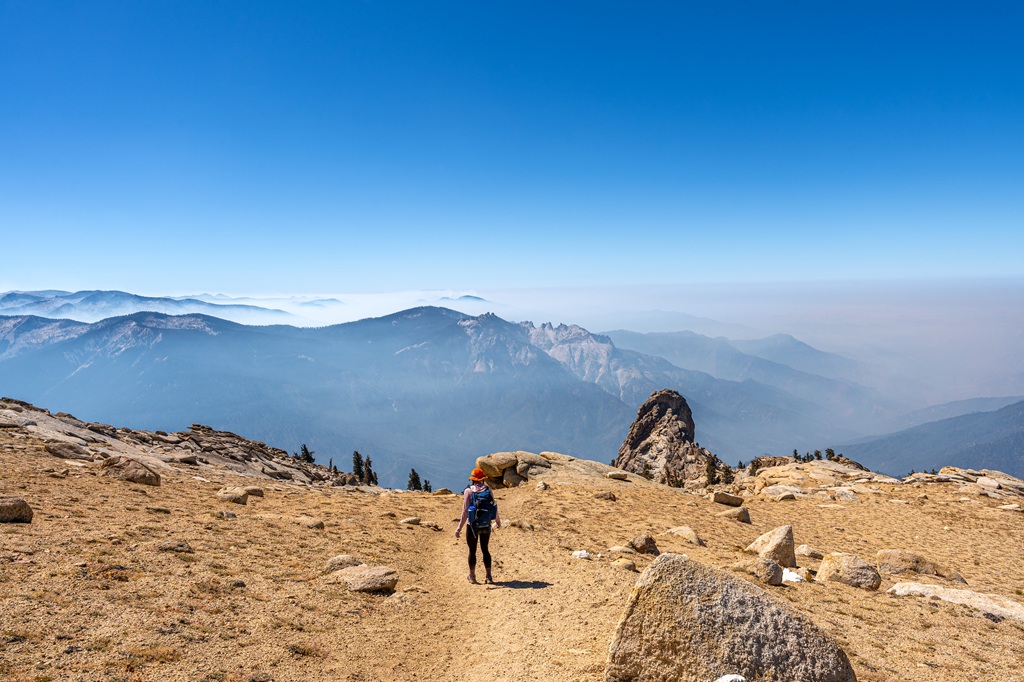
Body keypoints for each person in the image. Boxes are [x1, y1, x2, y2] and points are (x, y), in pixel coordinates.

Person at [454, 467, 501, 584]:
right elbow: (494, 507)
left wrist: (459, 528)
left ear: (473, 480)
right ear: (482, 479)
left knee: (472, 551)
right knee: (485, 549)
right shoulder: (488, 490)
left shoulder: (469, 491)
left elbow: (465, 512)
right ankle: (489, 577)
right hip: (486, 525)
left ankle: (472, 576)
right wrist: (498, 521)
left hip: (472, 526)